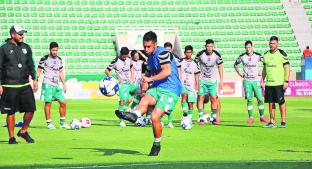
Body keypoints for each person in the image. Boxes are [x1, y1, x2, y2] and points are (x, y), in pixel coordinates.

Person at [115, 31, 182, 156]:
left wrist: (149, 79)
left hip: (171, 90)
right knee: (145, 99)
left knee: (155, 117)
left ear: (155, 44)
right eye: (144, 46)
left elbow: (167, 72)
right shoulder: (150, 59)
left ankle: (156, 145)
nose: (146, 49)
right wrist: (144, 90)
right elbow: (148, 76)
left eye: (149, 46)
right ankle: (135, 115)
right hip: (157, 87)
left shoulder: (162, 53)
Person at [0, 25, 37, 144]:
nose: (22, 36)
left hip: (25, 84)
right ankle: (11, 137)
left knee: (31, 109)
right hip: (9, 85)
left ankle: (23, 131)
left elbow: (31, 64)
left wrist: (34, 79)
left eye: (23, 33)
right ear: (12, 34)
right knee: (11, 112)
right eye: (19, 33)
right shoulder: (3, 48)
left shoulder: (27, 47)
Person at [234, 40, 269, 124]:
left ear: (252, 47)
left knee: (260, 99)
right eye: (246, 48)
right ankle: (251, 117)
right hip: (247, 81)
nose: (248, 49)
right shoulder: (242, 56)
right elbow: (235, 64)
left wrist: (262, 72)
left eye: (249, 47)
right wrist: (239, 73)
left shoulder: (258, 56)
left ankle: (262, 116)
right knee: (249, 99)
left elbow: (266, 63)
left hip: (256, 80)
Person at [37, 42, 70, 129]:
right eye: (53, 50)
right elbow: (39, 70)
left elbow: (61, 72)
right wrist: (36, 81)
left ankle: (62, 123)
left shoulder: (59, 59)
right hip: (47, 84)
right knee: (48, 103)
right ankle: (49, 123)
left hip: (56, 85)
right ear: (50, 50)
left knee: (63, 103)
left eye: (56, 50)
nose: (55, 52)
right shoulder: (44, 58)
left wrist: (64, 84)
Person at [262, 36, 290, 128]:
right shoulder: (265, 54)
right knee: (270, 102)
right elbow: (264, 69)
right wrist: (262, 80)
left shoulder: (282, 54)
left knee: (281, 102)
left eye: (273, 43)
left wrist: (286, 80)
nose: (272, 45)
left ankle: (283, 121)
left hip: (279, 83)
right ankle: (272, 121)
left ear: (277, 44)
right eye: (270, 43)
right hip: (269, 83)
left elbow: (287, 67)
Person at [105, 47, 136, 127]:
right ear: (121, 54)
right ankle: (121, 120)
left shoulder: (129, 60)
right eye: (124, 56)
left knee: (130, 99)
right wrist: (113, 79)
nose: (125, 57)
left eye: (126, 56)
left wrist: (133, 76)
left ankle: (126, 107)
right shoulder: (115, 61)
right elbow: (106, 70)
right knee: (122, 101)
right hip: (121, 85)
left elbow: (132, 67)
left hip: (129, 83)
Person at [195, 39, 223, 125]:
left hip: (212, 81)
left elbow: (220, 67)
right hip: (202, 80)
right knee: (201, 98)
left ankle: (214, 118)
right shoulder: (200, 55)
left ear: (213, 46)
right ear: (205, 46)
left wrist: (221, 80)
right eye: (208, 46)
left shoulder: (217, 55)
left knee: (214, 98)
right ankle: (201, 118)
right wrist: (196, 80)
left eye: (211, 46)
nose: (209, 48)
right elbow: (195, 66)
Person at [179, 45, 200, 129]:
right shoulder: (181, 61)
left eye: (190, 52)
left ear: (192, 53)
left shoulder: (195, 63)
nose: (188, 54)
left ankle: (189, 119)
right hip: (182, 83)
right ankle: (184, 112)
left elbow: (197, 74)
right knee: (184, 95)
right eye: (187, 52)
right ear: (185, 53)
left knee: (191, 103)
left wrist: (197, 84)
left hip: (191, 84)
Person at [163, 42, 181, 128]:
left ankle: (170, 122)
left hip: (173, 84)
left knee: (170, 104)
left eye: (169, 50)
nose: (168, 52)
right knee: (161, 103)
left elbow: (179, 69)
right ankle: (161, 121)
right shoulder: (161, 59)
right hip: (163, 83)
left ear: (171, 49)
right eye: (166, 50)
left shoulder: (175, 59)